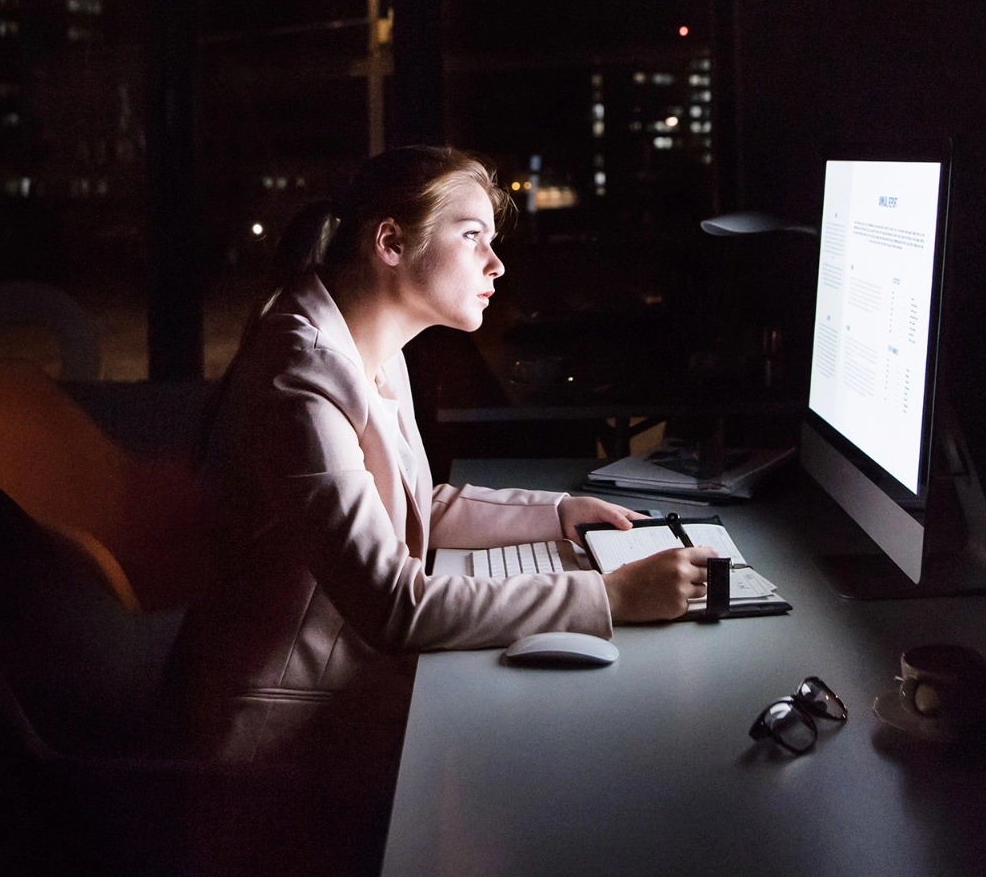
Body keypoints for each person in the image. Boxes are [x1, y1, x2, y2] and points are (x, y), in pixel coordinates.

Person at [167, 147, 715, 799]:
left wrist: (556, 513)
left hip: (336, 705)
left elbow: (415, 504)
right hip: (268, 751)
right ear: (391, 243)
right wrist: (611, 598)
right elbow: (396, 607)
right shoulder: (302, 373)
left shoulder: (362, 337)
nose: (497, 263)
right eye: (472, 236)